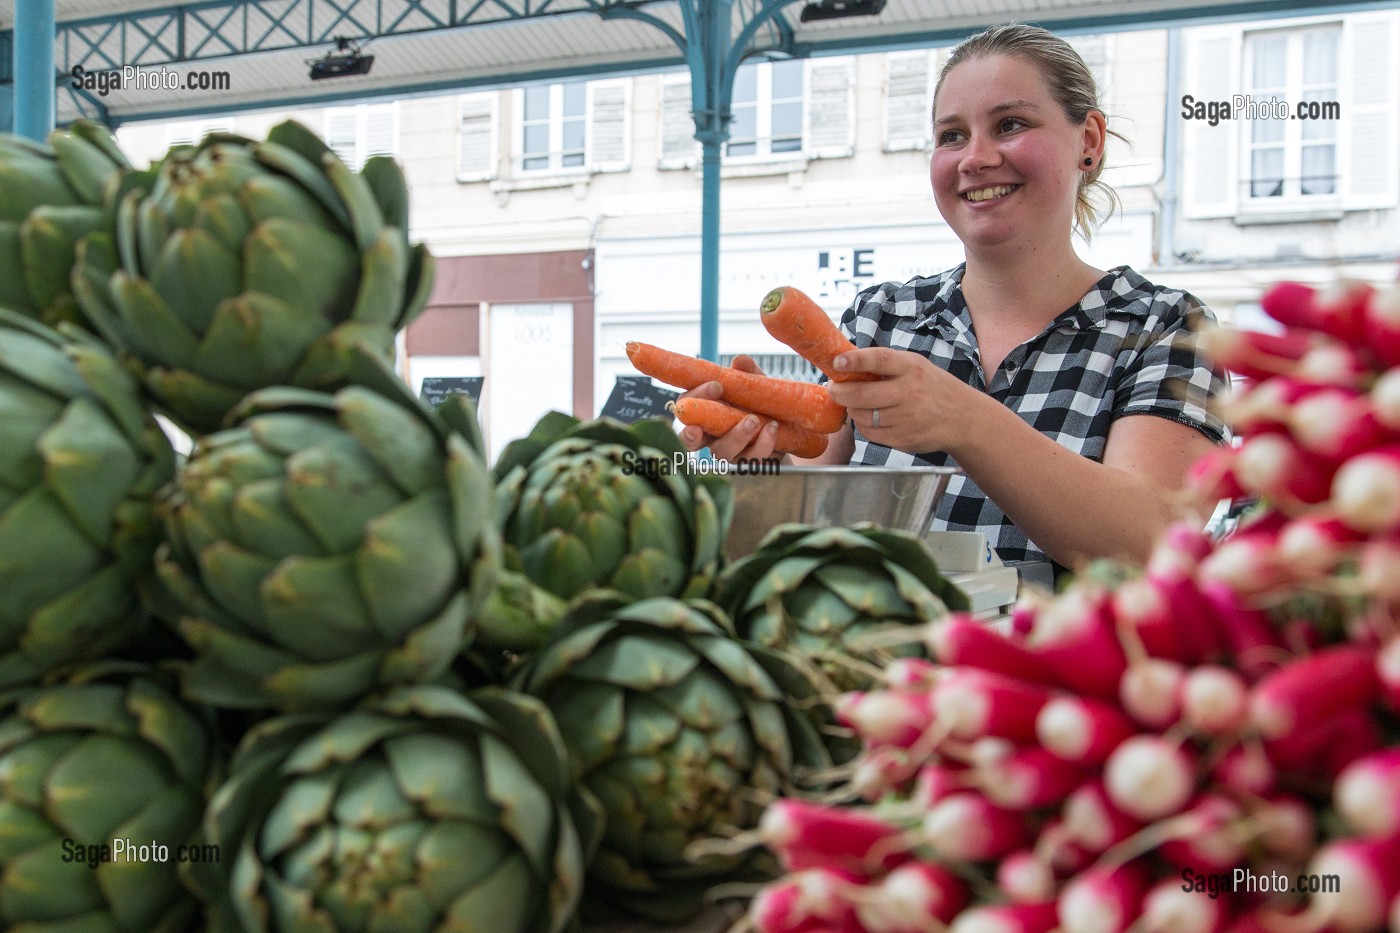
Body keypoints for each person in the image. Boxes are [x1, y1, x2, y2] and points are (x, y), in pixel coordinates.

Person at [678, 23, 1229, 574]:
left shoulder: (1164, 327)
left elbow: (1150, 545)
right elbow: (806, 511)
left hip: (1058, 660)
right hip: (879, 657)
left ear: (1088, 141)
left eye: (1010, 124)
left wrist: (964, 419)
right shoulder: (883, 318)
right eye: (952, 136)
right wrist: (757, 465)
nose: (975, 158)